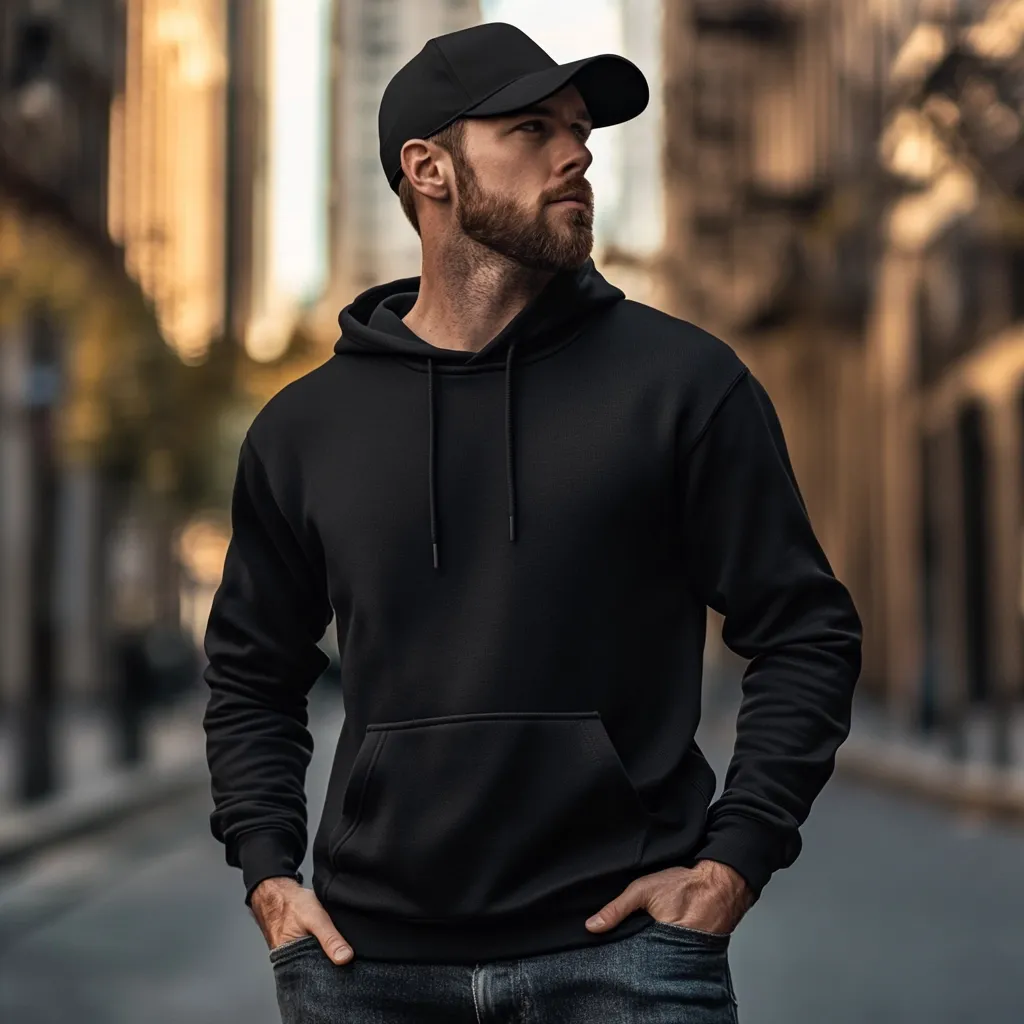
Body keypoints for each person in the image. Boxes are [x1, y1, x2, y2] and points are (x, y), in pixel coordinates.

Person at [202, 20, 862, 1023]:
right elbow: (251, 670)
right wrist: (265, 870)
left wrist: (732, 862)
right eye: (532, 128)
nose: (577, 153)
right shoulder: (305, 428)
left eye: (580, 130)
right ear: (428, 169)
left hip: (626, 966)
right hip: (366, 972)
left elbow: (805, 629)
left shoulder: (684, 387)